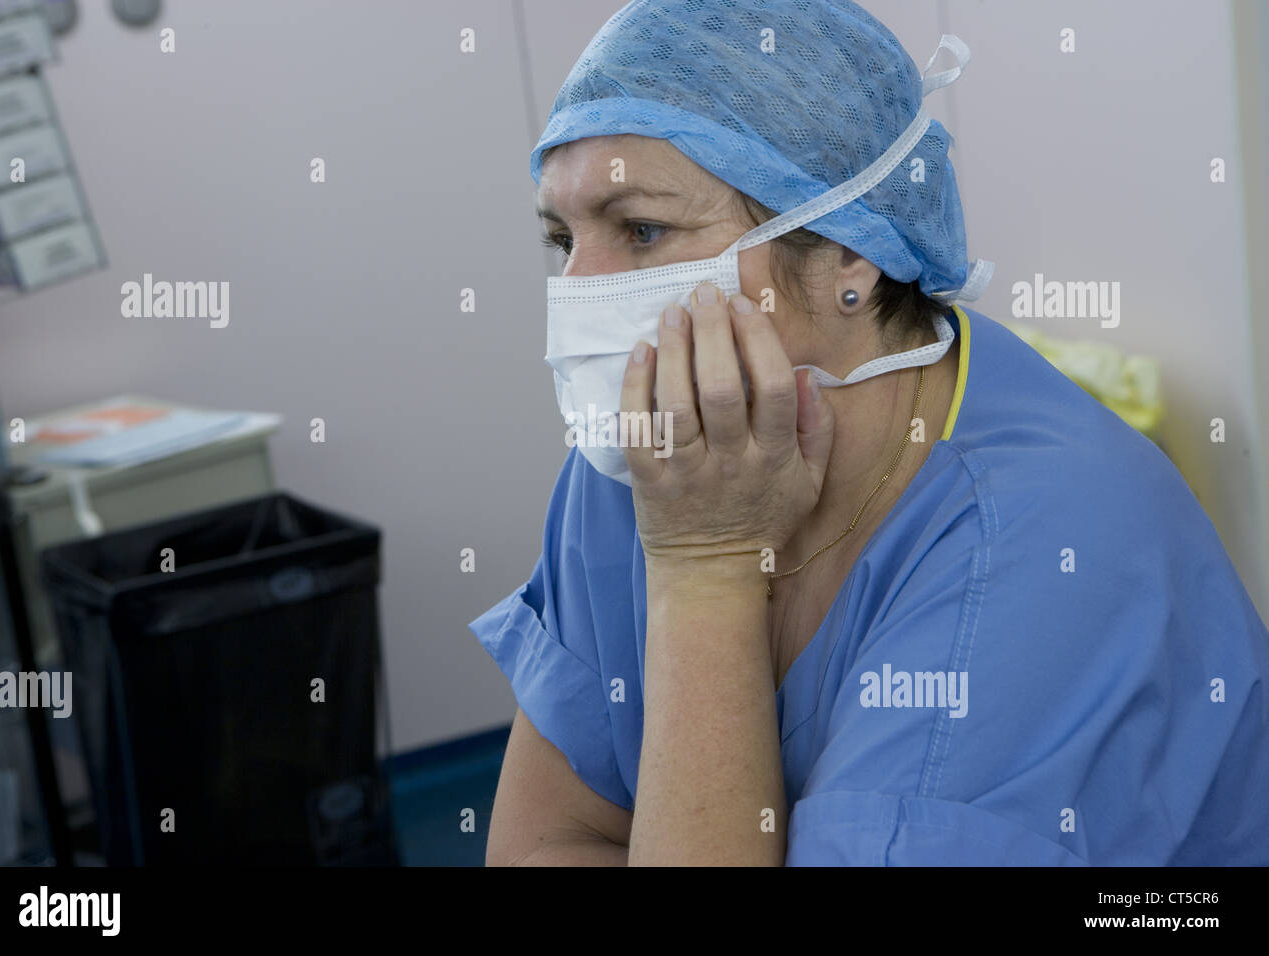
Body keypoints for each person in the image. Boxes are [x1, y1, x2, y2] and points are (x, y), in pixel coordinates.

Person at [470, 0, 1269, 865]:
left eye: (641, 230)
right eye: (562, 239)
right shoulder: (659, 457)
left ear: (851, 254)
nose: (581, 289)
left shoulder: (1050, 549)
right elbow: (549, 841)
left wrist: (706, 569)